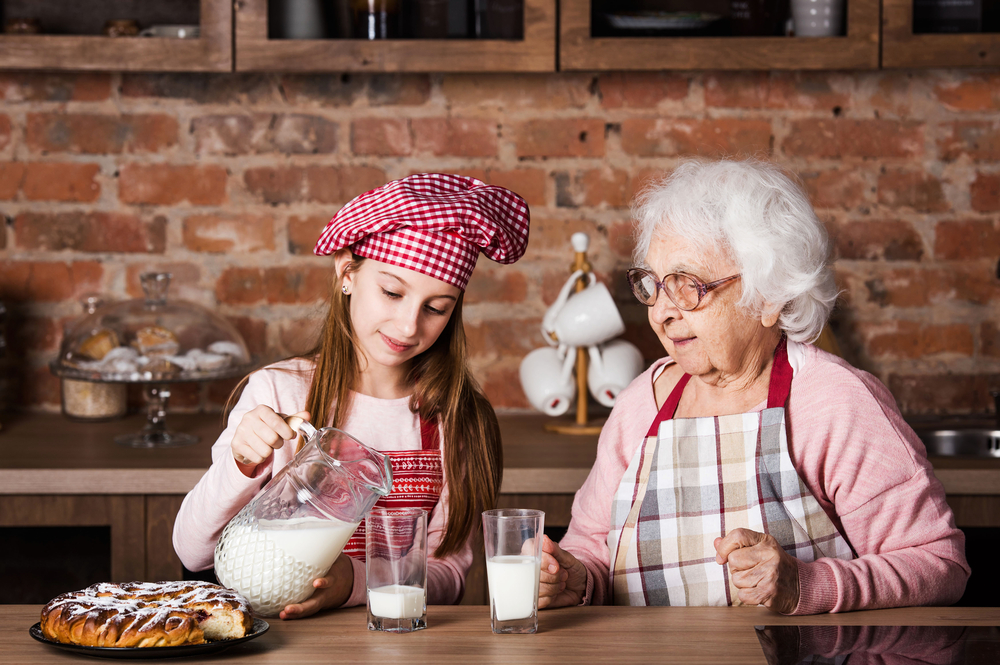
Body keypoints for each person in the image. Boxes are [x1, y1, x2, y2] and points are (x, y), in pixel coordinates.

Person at [538, 159, 970, 614]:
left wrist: (806, 585)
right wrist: (575, 578)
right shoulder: (638, 407)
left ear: (768, 296)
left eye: (688, 285)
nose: (661, 312)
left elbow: (938, 564)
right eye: (654, 284)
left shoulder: (834, 403)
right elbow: (592, 548)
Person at [173, 173, 530, 619]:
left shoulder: (457, 419)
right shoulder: (278, 391)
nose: (407, 325)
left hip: (394, 643)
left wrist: (353, 582)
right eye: (392, 292)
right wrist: (242, 465)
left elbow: (449, 576)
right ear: (346, 272)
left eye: (436, 307)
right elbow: (192, 553)